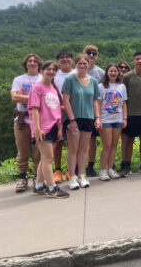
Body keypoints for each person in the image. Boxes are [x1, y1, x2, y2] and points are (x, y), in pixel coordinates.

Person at [28, 61, 69, 198]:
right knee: (49, 158)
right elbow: (34, 109)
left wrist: (60, 127)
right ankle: (52, 189)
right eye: (48, 69)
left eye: (53, 69)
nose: (51, 71)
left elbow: (57, 110)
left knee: (44, 158)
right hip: (42, 127)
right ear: (42, 70)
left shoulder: (53, 88)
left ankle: (39, 186)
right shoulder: (37, 88)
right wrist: (37, 129)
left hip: (54, 126)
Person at [62, 54, 101, 190]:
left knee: (84, 148)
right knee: (73, 148)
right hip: (74, 118)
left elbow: (95, 100)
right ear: (76, 64)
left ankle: (81, 175)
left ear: (88, 64)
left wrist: (97, 117)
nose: (83, 65)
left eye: (85, 63)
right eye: (80, 63)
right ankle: (72, 176)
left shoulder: (93, 81)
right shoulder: (69, 79)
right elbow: (66, 101)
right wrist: (72, 119)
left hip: (88, 118)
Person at [11, 54, 43, 193]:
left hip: (39, 120)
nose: (32, 63)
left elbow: (46, 98)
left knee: (38, 152)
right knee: (22, 151)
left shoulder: (43, 79)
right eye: (30, 61)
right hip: (22, 120)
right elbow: (14, 98)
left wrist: (23, 96)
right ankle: (22, 177)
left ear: (39, 64)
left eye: (35, 61)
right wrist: (35, 98)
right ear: (25, 64)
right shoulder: (19, 79)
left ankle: (37, 176)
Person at [98, 64, 127, 181]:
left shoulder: (122, 86)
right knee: (107, 145)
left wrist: (125, 118)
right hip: (105, 119)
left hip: (118, 119)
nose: (113, 73)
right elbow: (98, 103)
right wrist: (98, 118)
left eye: (115, 71)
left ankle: (110, 168)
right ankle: (102, 170)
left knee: (114, 144)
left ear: (118, 73)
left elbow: (124, 103)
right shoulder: (101, 86)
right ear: (107, 72)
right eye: (111, 71)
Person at [53, 48, 75, 183]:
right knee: (58, 141)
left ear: (72, 59)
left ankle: (70, 169)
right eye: (62, 57)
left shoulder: (77, 73)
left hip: (74, 112)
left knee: (72, 142)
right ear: (58, 60)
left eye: (67, 57)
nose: (65, 59)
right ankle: (57, 170)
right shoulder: (54, 75)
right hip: (57, 112)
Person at [84, 45, 105, 177]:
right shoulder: (77, 71)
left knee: (93, 139)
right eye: (89, 53)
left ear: (97, 56)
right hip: (81, 110)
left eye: (94, 53)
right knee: (81, 140)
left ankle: (90, 166)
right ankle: (78, 167)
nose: (91, 55)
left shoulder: (101, 73)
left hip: (97, 110)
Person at [117, 60, 131, 167]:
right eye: (120, 67)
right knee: (112, 141)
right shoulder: (113, 82)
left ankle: (125, 162)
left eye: (125, 67)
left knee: (127, 139)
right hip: (114, 114)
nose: (123, 69)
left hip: (129, 113)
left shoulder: (130, 81)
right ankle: (111, 165)